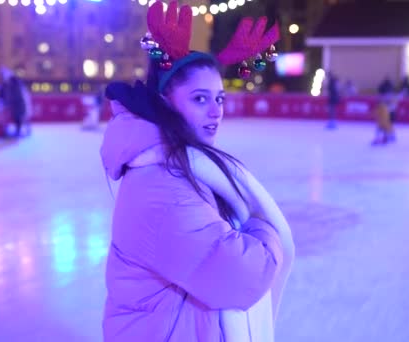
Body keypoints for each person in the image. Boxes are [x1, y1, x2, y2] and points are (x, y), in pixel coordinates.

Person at [100, 2, 294, 341]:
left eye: (219, 99)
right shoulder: (161, 189)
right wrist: (265, 228)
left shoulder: (175, 165)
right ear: (165, 101)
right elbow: (243, 275)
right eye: (200, 99)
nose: (216, 112)